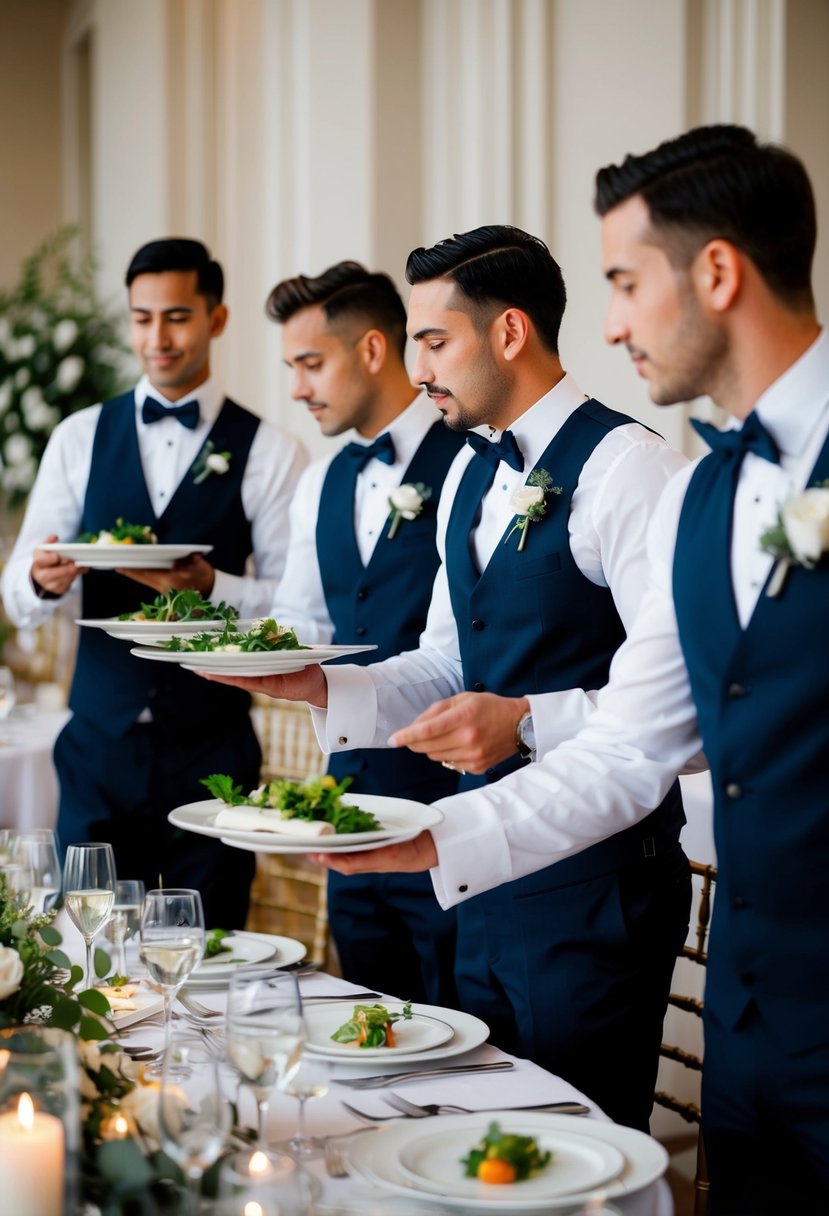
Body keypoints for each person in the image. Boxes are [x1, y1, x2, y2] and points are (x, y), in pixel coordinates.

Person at [314, 127, 829, 1213]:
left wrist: (509, 742)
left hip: (611, 911)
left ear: (718, 274)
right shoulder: (707, 493)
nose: (605, 324)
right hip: (744, 998)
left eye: (625, 282)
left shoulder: (638, 472)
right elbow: (643, 741)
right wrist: (424, 831)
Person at [204, 225, 692, 1131]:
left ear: (508, 333)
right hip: (482, 865)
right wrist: (320, 687)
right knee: (475, 1133)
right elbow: (444, 661)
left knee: (576, 1149)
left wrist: (529, 723)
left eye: (435, 341)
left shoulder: (631, 471)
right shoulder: (471, 472)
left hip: (596, 891)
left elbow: (681, 710)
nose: (417, 368)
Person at [1, 238, 308, 926]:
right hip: (96, 747)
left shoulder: (271, 451)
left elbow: (294, 609)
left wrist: (214, 588)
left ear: (216, 319)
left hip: (214, 748)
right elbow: (17, 592)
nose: (157, 338)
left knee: (212, 948)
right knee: (87, 947)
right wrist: (44, 580)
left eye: (176, 316)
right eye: (142, 318)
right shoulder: (79, 437)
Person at [264, 260, 464, 1005]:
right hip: (347, 811)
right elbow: (301, 621)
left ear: (374, 350)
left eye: (311, 363)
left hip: (450, 808)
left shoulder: (469, 459)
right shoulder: (320, 482)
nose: (297, 388)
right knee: (373, 1026)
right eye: (291, 367)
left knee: (463, 1035)